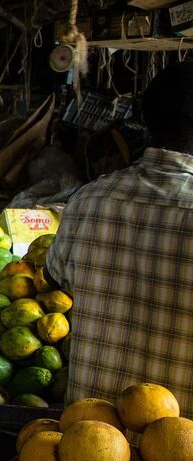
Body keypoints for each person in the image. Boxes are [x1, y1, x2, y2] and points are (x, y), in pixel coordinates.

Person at [46, 60, 193, 411]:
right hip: (179, 451)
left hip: (86, 446)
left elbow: (53, 279)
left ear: (144, 122)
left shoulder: (88, 200)